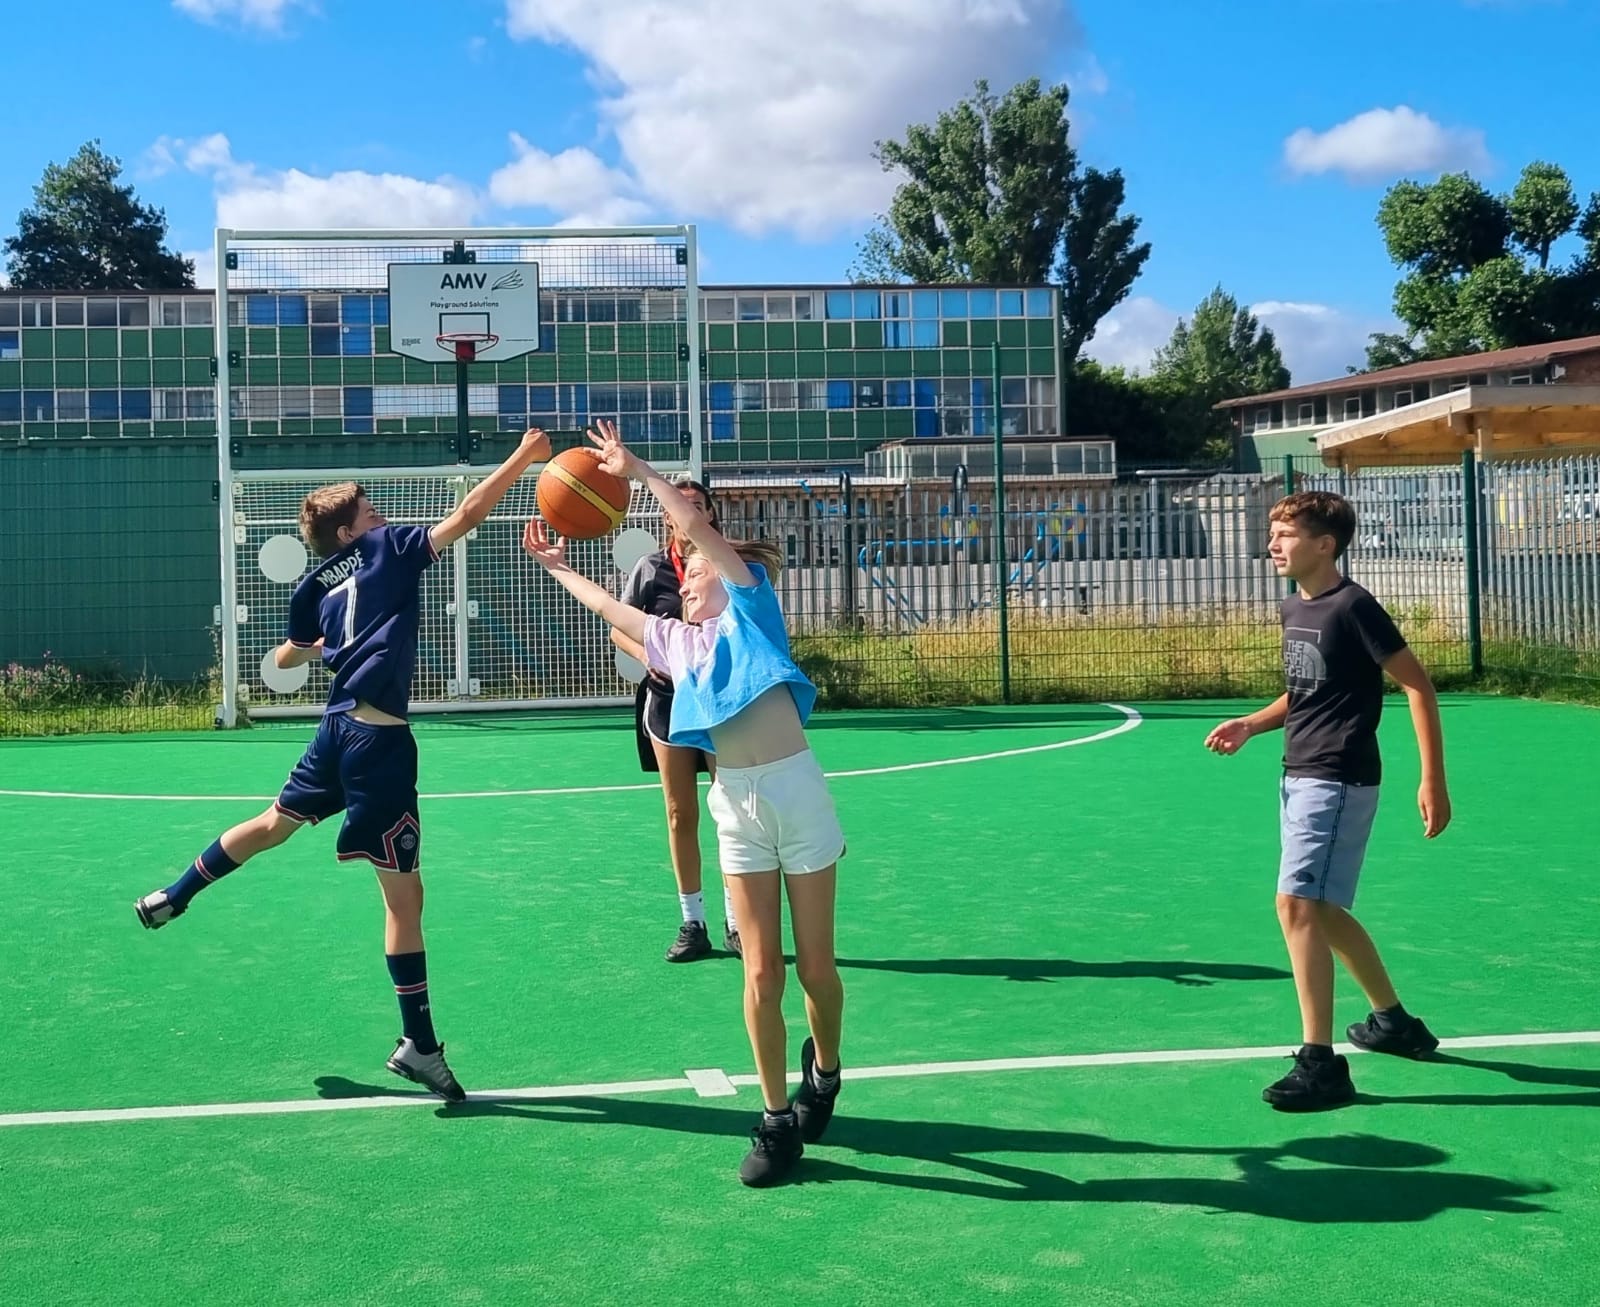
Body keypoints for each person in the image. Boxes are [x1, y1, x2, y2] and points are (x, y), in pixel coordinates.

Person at [133, 427, 555, 1103]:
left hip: (334, 729)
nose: (382, 514)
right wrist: (524, 460)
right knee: (404, 899)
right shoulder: (388, 548)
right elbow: (471, 513)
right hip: (379, 743)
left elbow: (289, 655)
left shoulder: (314, 586)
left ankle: (173, 894)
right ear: (352, 529)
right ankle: (419, 1043)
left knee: (274, 822)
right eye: (371, 509)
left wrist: (304, 652)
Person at [523, 420, 845, 1187]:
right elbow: (610, 609)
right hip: (737, 805)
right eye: (688, 569)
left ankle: (826, 1070)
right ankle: (773, 1120)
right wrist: (555, 566)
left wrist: (635, 467)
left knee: (818, 973)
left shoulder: (752, 609)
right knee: (760, 972)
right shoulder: (674, 643)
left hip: (798, 793)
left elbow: (694, 522)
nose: (688, 573)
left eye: (697, 565)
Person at [1205, 490, 1452, 1112]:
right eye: (1272, 533)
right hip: (1299, 773)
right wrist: (1253, 725)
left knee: (1297, 906)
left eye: (1285, 535)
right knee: (1323, 910)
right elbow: (1307, 690)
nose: (1273, 544)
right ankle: (1393, 1023)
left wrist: (1433, 780)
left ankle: (1320, 1064)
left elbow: (1418, 687)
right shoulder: (1295, 607)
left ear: (1325, 544)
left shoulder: (1356, 607)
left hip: (1339, 777)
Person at [615, 479, 742, 963]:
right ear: (667, 516)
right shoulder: (650, 568)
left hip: (720, 703)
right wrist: (648, 655)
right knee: (679, 813)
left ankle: (737, 921)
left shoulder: (726, 563)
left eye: (699, 506)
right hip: (667, 702)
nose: (688, 513)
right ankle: (693, 922)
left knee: (730, 810)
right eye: (680, 506)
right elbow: (619, 627)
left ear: (711, 516)